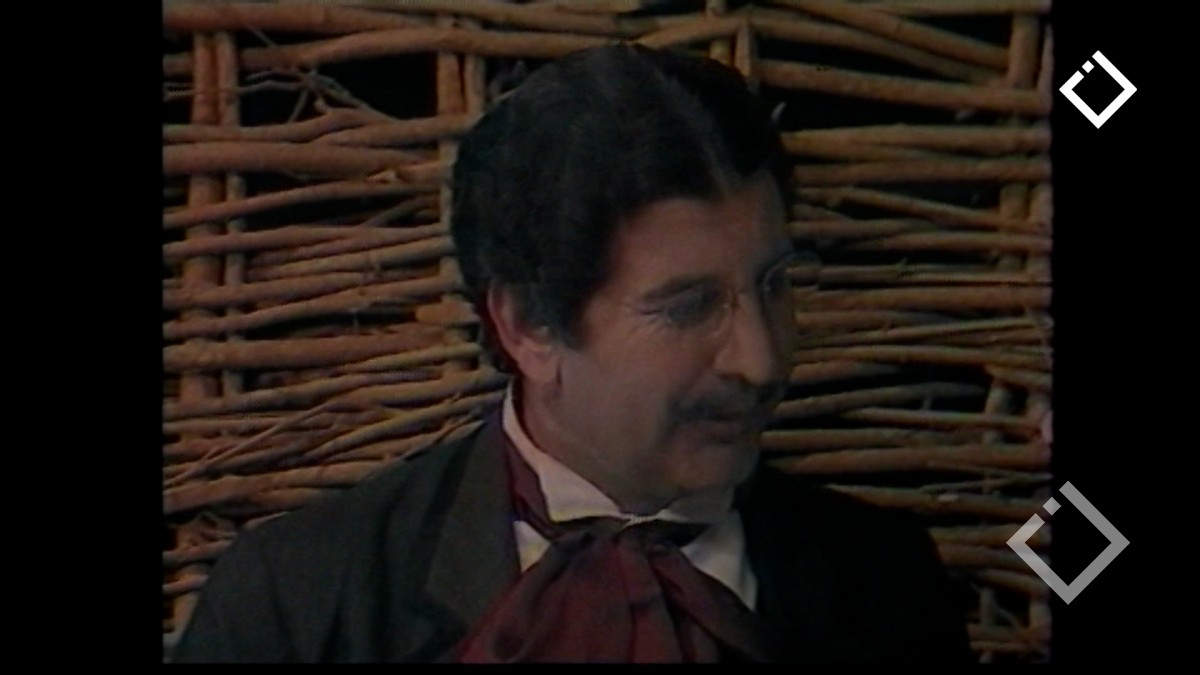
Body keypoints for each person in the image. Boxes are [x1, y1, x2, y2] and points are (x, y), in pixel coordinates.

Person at [173, 44, 971, 663]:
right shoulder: (298, 603)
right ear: (528, 326)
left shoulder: (886, 585)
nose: (760, 361)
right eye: (688, 306)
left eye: (773, 285)